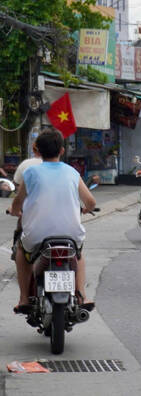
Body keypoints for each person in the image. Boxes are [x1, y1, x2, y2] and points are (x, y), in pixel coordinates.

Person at [9, 129, 96, 313]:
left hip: (37, 235)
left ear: (38, 151)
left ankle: (24, 299)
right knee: (78, 255)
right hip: (71, 234)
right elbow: (91, 202)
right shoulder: (72, 172)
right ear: (62, 151)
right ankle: (82, 294)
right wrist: (86, 209)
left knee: (21, 251)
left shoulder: (30, 172)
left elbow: (18, 201)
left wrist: (15, 211)